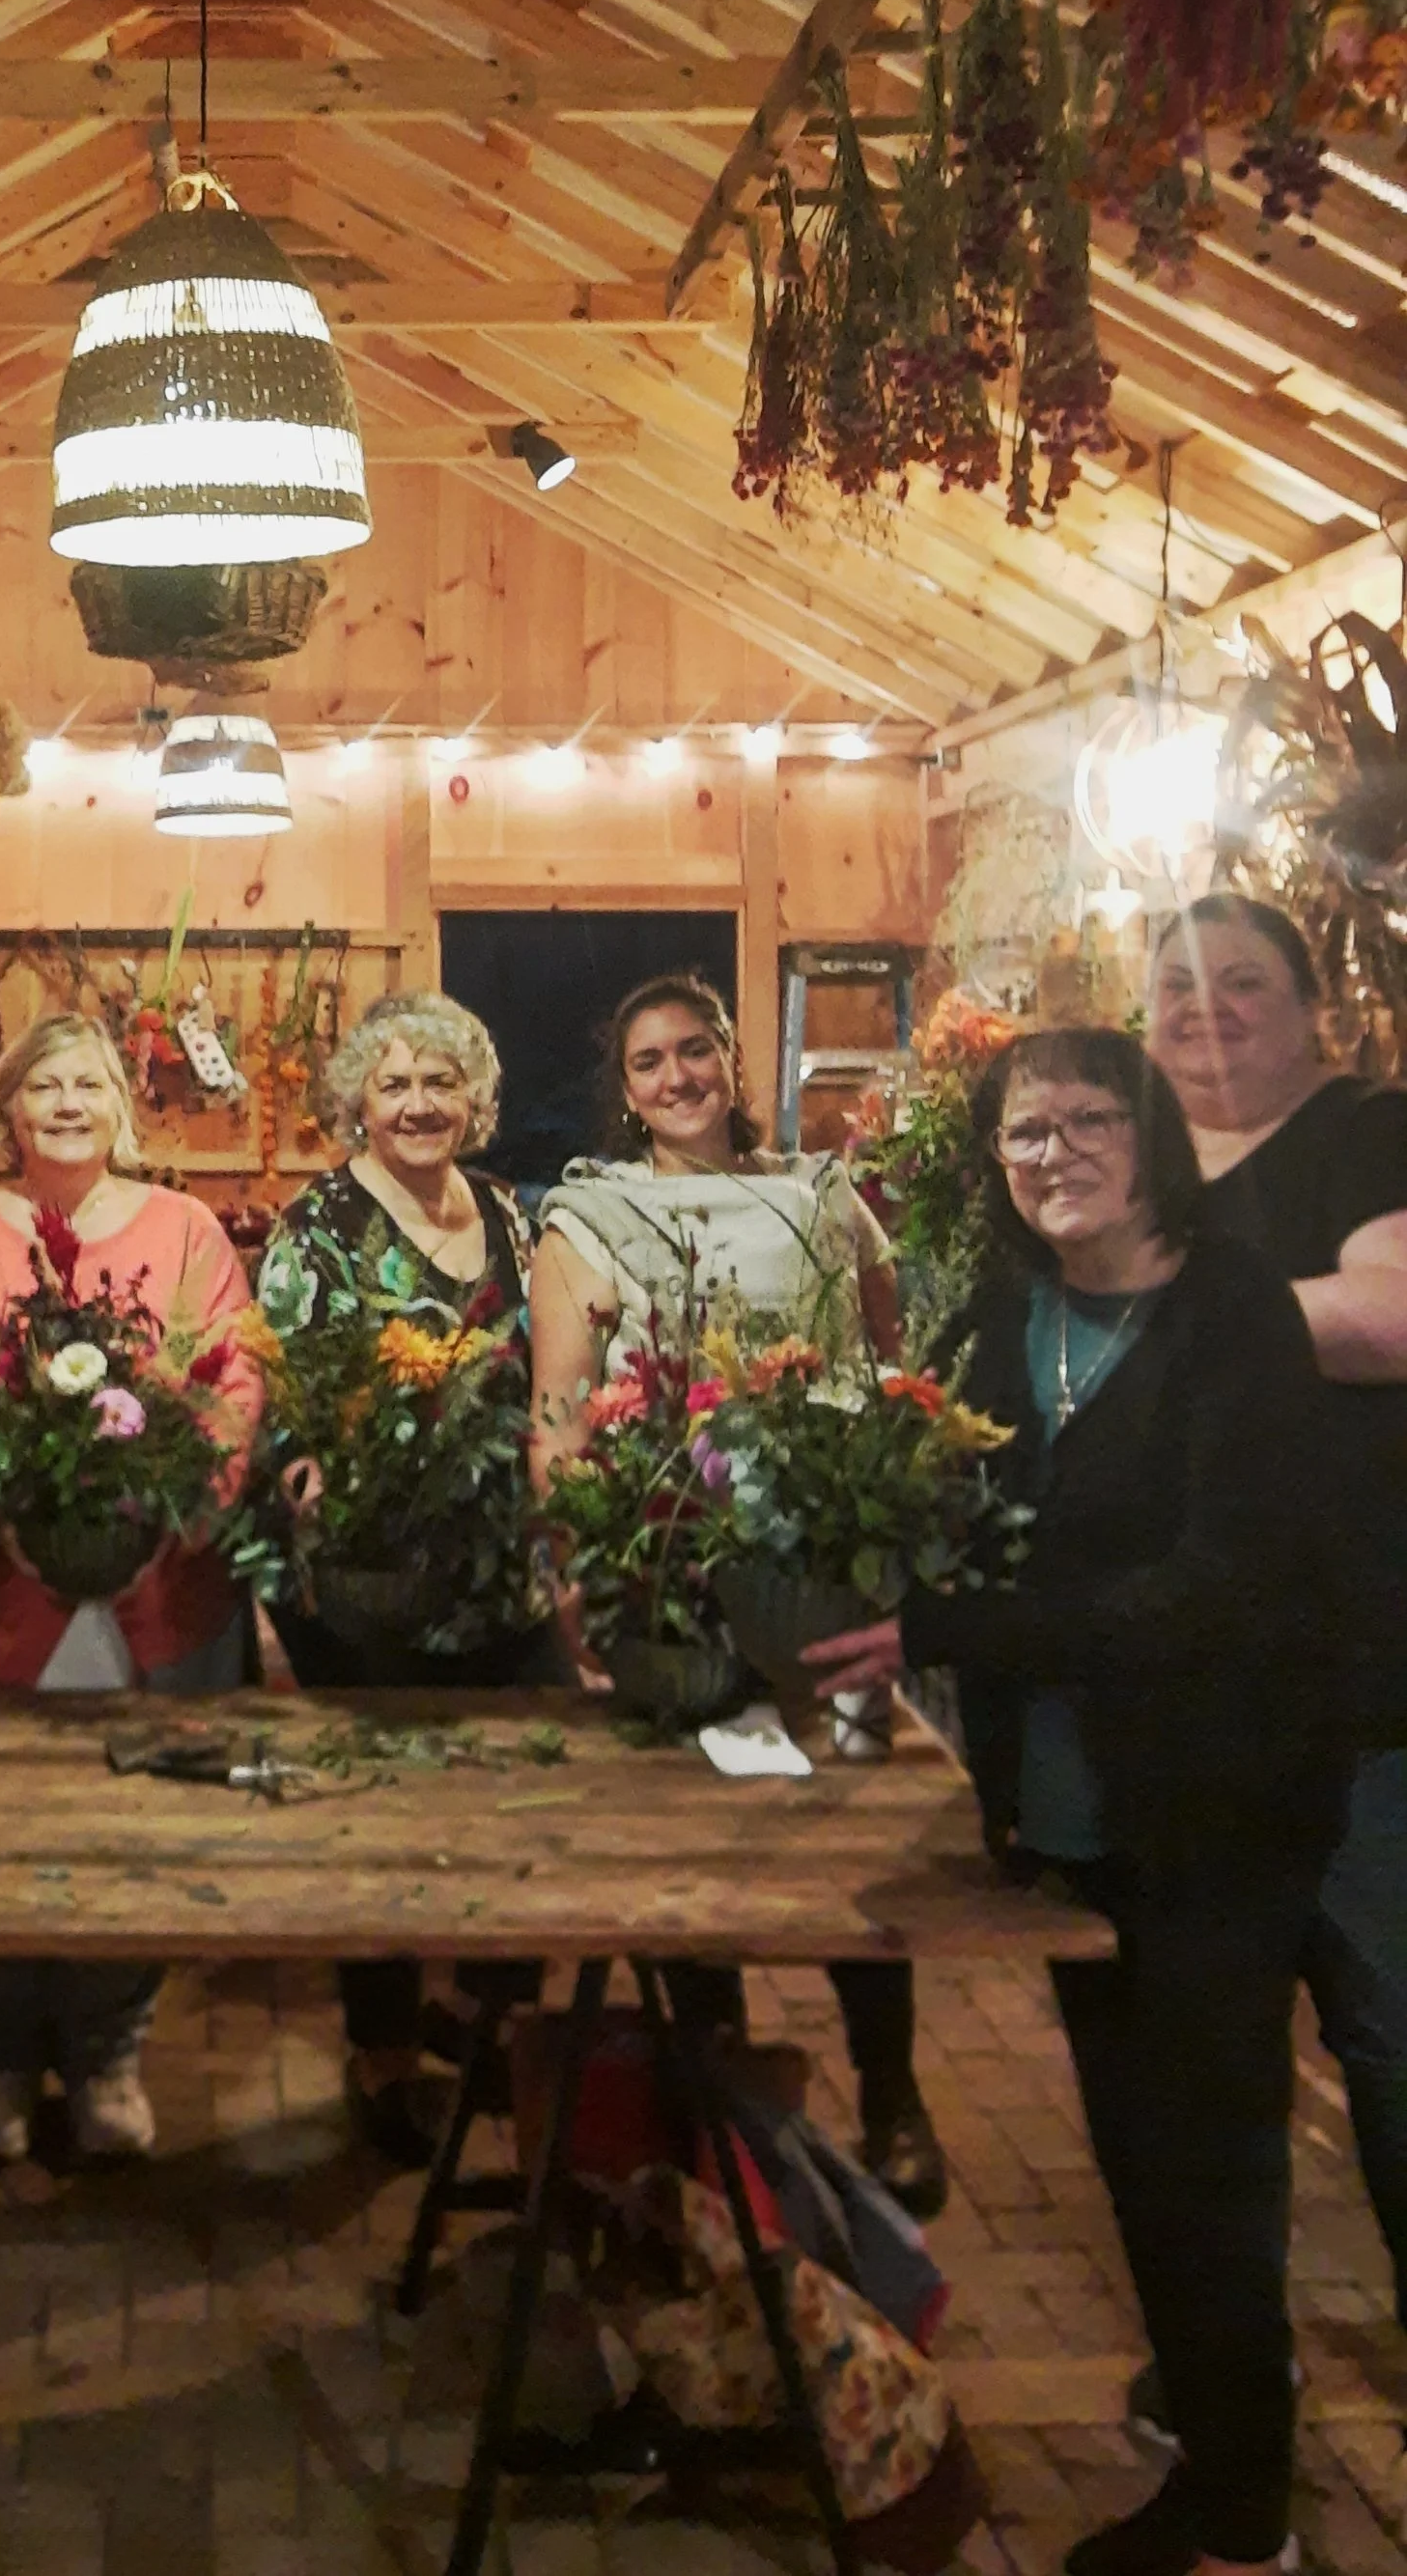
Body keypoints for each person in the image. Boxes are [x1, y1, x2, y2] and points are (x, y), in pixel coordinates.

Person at [807, 1025, 1356, 2576]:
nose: (1053, 1153)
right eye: (1023, 1132)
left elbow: (1218, 1589)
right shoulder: (1007, 1305)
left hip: (1220, 1802)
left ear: (1153, 1134)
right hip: (1072, 1809)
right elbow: (951, 1509)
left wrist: (948, 1626)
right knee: (1136, 2141)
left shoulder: (1232, 1310)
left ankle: (1245, 2515)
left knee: (1209, 2154)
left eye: (1087, 1121)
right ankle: (1218, 2411)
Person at [526, 971, 943, 2215]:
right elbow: (558, 1412)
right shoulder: (589, 1218)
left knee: (855, 1821)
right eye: (647, 1062)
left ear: (730, 1060)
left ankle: (892, 2089)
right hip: (676, 1562)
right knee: (694, 1835)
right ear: (626, 1091)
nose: (675, 1078)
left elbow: (884, 1368)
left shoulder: (821, 1195)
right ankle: (720, 2098)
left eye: (693, 1051)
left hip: (828, 1563)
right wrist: (571, 1563)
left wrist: (888, 1505)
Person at [0, 1011, 263, 2167]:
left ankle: (108, 2050)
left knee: (129, 1822)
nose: (64, 1104)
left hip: (153, 1588)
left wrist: (174, 1499)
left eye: (87, 1084)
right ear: (6, 1111)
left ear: (121, 1106)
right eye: (41, 1085)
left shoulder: (187, 1226)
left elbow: (234, 1376)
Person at [1148, 894, 1407, 2354]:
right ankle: (1223, 2404)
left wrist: (1172, 1319)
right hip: (1194, 1711)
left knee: (1395, 2053)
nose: (1207, 1007)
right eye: (1176, 987)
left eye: (1243, 981)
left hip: (1369, 1691)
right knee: (1208, 2086)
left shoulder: (1369, 1126)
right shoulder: (1147, 1165)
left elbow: (1393, 1314)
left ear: (1311, 1003)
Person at [254, 991, 568, 2166]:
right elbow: (280, 1384)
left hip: (500, 1569)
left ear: (474, 1100)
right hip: (372, 1580)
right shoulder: (320, 1226)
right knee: (379, 1821)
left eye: (441, 1082)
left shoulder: (503, 1212)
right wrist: (304, 1471)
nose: (420, 1104)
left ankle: (488, 2017)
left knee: (529, 1790)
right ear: (359, 1104)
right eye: (395, 1085)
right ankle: (383, 2050)